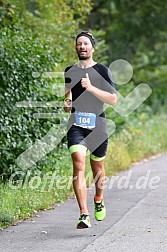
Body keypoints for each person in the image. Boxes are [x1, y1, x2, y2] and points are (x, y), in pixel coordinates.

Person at [64, 31, 117, 229]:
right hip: (76, 123)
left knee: (98, 170)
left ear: (92, 48)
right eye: (79, 43)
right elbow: (68, 94)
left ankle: (98, 198)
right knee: (78, 163)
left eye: (86, 43)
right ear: (76, 47)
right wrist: (67, 102)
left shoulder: (102, 71)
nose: (82, 46)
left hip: (98, 126)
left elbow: (113, 100)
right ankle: (83, 214)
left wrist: (91, 88)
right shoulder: (69, 70)